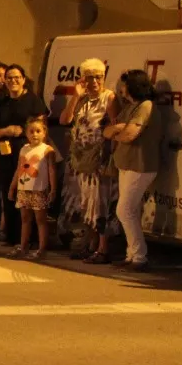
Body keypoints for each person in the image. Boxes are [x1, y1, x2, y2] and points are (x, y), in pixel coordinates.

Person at [0, 64, 49, 247]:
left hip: (29, 154)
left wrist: (24, 133)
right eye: (9, 78)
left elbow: (42, 127)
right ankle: (12, 235)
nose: (13, 81)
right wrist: (7, 130)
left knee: (30, 193)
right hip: (6, 153)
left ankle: (32, 238)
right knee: (9, 192)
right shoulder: (2, 102)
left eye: (16, 77)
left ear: (23, 79)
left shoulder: (33, 100)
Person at [107, 68, 164, 271]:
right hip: (126, 164)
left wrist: (116, 132)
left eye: (124, 85)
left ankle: (139, 256)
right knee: (130, 210)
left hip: (140, 165)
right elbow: (109, 129)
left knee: (124, 209)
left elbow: (129, 134)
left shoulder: (145, 106)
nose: (121, 89)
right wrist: (115, 130)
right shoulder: (131, 106)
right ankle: (131, 254)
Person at [60, 58, 115, 263]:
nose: (94, 82)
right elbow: (65, 120)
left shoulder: (109, 98)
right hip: (80, 159)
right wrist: (75, 97)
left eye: (98, 77)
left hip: (98, 158)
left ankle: (102, 248)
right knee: (86, 204)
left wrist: (107, 160)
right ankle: (91, 244)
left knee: (99, 204)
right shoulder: (82, 99)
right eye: (90, 78)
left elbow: (114, 127)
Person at [8, 117, 59, 259]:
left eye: (38, 131)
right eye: (31, 131)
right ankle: (23, 246)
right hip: (24, 189)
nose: (34, 134)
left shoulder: (47, 150)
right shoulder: (24, 149)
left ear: (44, 133)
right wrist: (12, 187)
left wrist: (53, 189)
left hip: (39, 189)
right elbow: (19, 169)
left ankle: (42, 249)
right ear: (26, 133)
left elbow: (51, 170)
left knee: (41, 220)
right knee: (25, 219)